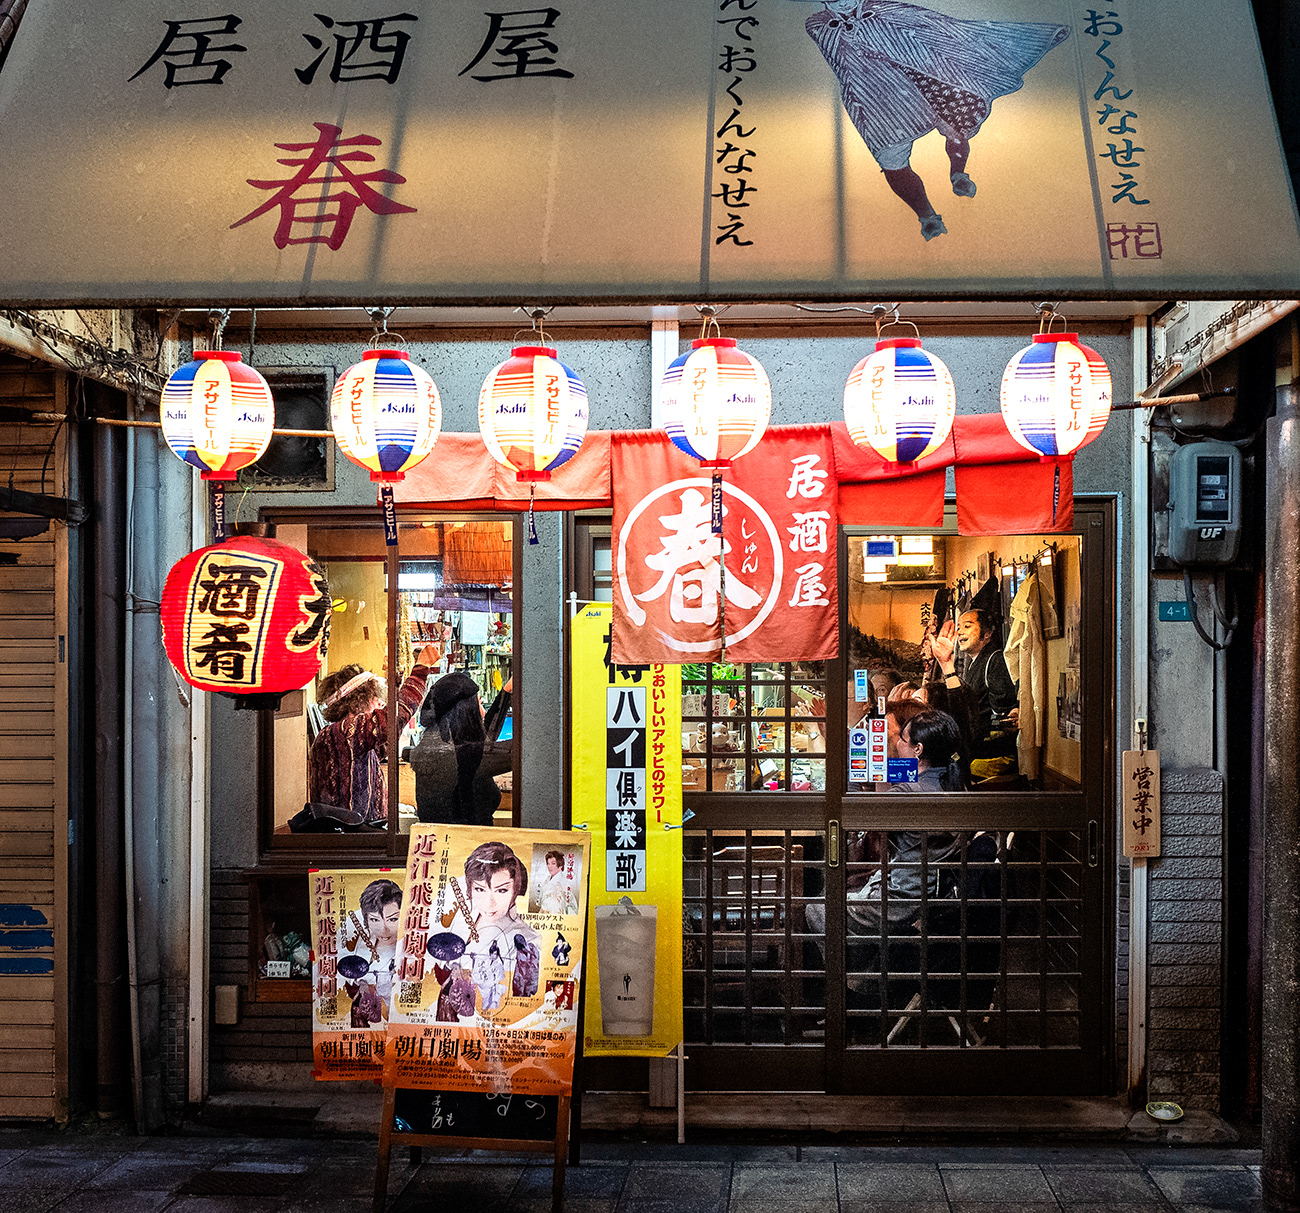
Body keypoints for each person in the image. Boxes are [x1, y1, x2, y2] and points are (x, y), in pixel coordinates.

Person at [788, 0, 1069, 240]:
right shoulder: (817, 25)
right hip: (876, 98)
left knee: (956, 122)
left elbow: (940, 28)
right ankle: (927, 215)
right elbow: (846, 62)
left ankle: (958, 172)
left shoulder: (886, 7)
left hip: (928, 76)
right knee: (892, 162)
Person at [306, 644, 440, 826]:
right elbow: (394, 717)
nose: (378, 703)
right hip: (351, 840)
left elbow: (388, 736)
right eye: (373, 698)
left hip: (359, 834)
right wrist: (420, 669)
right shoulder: (347, 732)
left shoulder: (346, 734)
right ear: (357, 699)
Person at [410, 673, 513, 825]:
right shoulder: (461, 757)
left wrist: (507, 691)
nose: (483, 712)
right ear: (466, 712)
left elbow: (485, 739)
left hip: (442, 844)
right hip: (465, 845)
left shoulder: (436, 747)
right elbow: (521, 751)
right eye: (478, 704)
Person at [928, 607, 1019, 776]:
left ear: (987, 634)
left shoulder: (995, 660)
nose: (960, 631)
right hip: (976, 747)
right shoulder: (970, 663)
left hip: (992, 752)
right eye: (959, 627)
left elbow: (1004, 712)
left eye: (967, 626)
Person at [456, 841, 541, 1012]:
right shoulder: (461, 921)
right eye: (480, 890)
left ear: (515, 890)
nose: (489, 903)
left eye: (501, 890)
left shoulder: (528, 941)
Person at [357, 878, 402, 1012]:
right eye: (374, 920)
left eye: (393, 919)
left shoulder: (411, 949)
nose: (384, 929)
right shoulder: (360, 946)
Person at [536, 850, 578, 916]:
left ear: (560, 865)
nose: (549, 866)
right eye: (548, 863)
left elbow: (569, 904)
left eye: (553, 863)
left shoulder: (563, 882)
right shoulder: (547, 880)